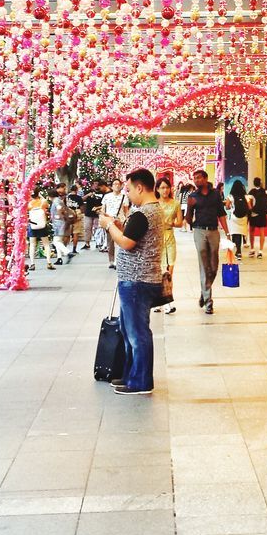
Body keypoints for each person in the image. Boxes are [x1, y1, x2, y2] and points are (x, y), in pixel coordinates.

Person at [101, 168, 163, 395]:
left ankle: (141, 382)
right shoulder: (151, 211)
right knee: (130, 332)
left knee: (137, 333)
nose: (127, 194)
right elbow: (133, 235)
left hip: (137, 281)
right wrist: (117, 224)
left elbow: (127, 243)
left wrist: (109, 226)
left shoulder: (143, 213)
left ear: (140, 187)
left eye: (128, 189)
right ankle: (130, 376)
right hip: (139, 279)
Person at [186, 169, 228, 314]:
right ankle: (208, 301)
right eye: (194, 178)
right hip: (199, 231)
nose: (196, 180)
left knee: (214, 266)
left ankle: (204, 291)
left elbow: (222, 214)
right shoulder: (192, 196)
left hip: (214, 231)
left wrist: (227, 233)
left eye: (198, 178)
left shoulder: (216, 194)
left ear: (205, 179)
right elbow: (188, 219)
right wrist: (190, 206)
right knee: (204, 266)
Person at [156, 176, 183, 314]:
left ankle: (168, 301)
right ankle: (157, 301)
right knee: (158, 271)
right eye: (162, 187)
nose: (165, 190)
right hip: (157, 239)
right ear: (157, 189)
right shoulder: (154, 204)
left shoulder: (175, 203)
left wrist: (171, 223)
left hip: (170, 238)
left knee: (169, 271)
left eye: (167, 187)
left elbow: (180, 222)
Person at [100, 177, 128, 269]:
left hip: (120, 221)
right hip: (109, 221)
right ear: (111, 186)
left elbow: (126, 211)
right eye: (115, 184)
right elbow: (103, 209)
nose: (116, 186)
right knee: (110, 242)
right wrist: (104, 218)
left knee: (119, 241)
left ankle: (117, 261)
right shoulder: (107, 197)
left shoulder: (124, 197)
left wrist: (126, 220)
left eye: (118, 184)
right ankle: (111, 260)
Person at [50, 182, 76, 265]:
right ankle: (59, 258)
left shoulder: (56, 201)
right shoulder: (59, 200)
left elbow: (59, 208)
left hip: (58, 224)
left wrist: (59, 216)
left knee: (56, 241)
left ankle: (67, 253)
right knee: (59, 241)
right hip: (60, 223)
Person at [226, 180, 250, 260]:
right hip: (243, 218)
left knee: (235, 233)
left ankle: (238, 251)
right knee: (240, 233)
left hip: (234, 217)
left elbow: (227, 206)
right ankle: (239, 251)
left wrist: (231, 208)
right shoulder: (246, 196)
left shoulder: (231, 196)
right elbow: (249, 207)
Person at [28, 194, 52, 269]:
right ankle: (48, 262)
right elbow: (47, 206)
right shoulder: (43, 202)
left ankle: (32, 263)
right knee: (46, 244)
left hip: (33, 226)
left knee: (32, 245)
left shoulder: (30, 204)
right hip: (42, 225)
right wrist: (41, 196)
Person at [80, 180, 104, 253]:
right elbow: (81, 200)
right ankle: (87, 243)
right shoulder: (88, 192)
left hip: (98, 213)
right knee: (87, 228)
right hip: (88, 213)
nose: (96, 185)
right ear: (92, 185)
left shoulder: (102, 192)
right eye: (95, 184)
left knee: (98, 228)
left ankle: (98, 242)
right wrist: (88, 195)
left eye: (97, 184)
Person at [248, 177, 267, 258]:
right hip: (262, 214)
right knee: (262, 232)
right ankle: (260, 251)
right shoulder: (265, 191)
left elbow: (249, 203)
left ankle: (252, 249)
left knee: (252, 231)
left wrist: (252, 210)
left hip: (254, 214)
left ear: (254, 183)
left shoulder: (251, 192)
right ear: (260, 183)